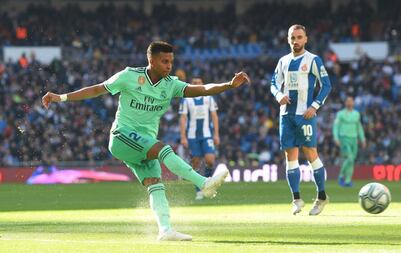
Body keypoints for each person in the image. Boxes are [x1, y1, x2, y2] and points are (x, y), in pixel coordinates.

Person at [42, 41, 250, 241]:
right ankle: (203, 183)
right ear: (151, 60)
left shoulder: (171, 85)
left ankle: (165, 230)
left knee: (154, 184)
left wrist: (229, 85)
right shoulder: (129, 76)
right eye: (164, 61)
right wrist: (60, 97)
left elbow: (202, 89)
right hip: (122, 136)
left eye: (171, 62)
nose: (169, 66)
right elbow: (97, 89)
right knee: (162, 149)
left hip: (143, 143)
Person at [270, 24, 332, 215]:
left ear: (306, 39)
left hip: (305, 115)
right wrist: (278, 95)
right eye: (292, 38)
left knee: (311, 153)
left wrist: (314, 106)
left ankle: (322, 197)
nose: (295, 41)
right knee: (290, 156)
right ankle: (296, 199)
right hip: (286, 115)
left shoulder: (313, 60)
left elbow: (326, 85)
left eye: (299, 37)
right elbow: (273, 84)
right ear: (288, 40)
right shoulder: (283, 61)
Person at [179, 77, 220, 200]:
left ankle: (208, 184)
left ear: (203, 84)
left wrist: (216, 134)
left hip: (207, 135)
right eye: (194, 83)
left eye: (199, 83)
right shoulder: (186, 100)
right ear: (191, 84)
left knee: (210, 160)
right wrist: (183, 136)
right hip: (192, 136)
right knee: (196, 162)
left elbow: (214, 116)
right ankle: (199, 190)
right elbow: (183, 118)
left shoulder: (209, 98)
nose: (197, 84)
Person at [333, 96, 366, 187]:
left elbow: (359, 127)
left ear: (353, 103)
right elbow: (336, 126)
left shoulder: (356, 114)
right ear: (345, 103)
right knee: (350, 158)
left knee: (351, 160)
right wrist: (336, 137)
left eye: (351, 101)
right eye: (348, 101)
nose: (349, 103)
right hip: (344, 138)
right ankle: (341, 176)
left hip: (354, 139)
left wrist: (362, 139)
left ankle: (347, 181)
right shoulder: (340, 114)